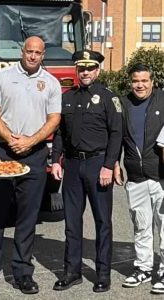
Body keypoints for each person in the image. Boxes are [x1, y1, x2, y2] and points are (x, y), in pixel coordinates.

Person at [0, 36, 62, 299]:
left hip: (34, 154)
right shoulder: (2, 77)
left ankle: (23, 273)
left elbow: (54, 118)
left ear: (43, 55)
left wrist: (32, 141)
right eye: (29, 51)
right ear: (22, 52)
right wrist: (10, 139)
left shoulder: (52, 83)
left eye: (38, 53)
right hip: (2, 152)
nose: (33, 56)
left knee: (27, 218)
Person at [51, 50, 122, 293]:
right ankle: (72, 272)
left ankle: (103, 274)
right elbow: (60, 132)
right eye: (81, 68)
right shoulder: (67, 97)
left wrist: (108, 165)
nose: (85, 72)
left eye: (90, 68)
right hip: (71, 165)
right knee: (72, 222)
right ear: (77, 71)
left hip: (97, 164)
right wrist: (56, 160)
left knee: (102, 221)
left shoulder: (107, 98)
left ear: (97, 70)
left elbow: (116, 134)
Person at [114, 64, 164, 294]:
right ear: (130, 82)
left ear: (152, 81)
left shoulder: (162, 101)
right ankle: (143, 268)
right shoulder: (123, 104)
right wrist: (114, 162)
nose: (140, 85)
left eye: (144, 80)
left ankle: (163, 270)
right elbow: (116, 137)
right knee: (141, 225)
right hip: (135, 176)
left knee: (163, 226)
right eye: (136, 81)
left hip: (160, 175)